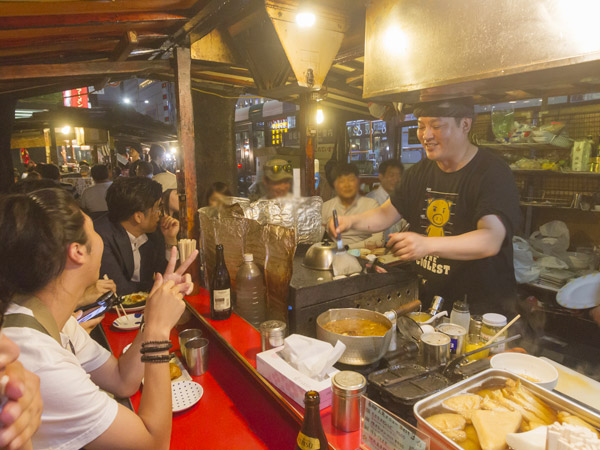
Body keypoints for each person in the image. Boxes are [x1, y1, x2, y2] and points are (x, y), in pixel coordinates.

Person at [0, 188, 196, 449]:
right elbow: (153, 444)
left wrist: (151, 314)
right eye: (93, 227)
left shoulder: (54, 319)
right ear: (77, 251)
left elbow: (122, 379)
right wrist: (159, 332)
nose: (101, 234)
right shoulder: (39, 359)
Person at [329, 98, 522, 314]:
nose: (426, 135)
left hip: (480, 309)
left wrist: (427, 244)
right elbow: (385, 214)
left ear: (465, 125)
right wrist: (350, 221)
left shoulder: (491, 172)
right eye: (421, 126)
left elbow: (490, 239)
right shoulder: (420, 172)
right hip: (429, 300)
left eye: (436, 126)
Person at [94, 177, 180, 296]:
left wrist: (170, 240)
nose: (160, 214)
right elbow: (119, 288)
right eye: (157, 208)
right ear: (138, 217)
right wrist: (157, 284)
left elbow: (169, 275)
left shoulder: (154, 232)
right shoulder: (101, 237)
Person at [322, 163, 383, 249]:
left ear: (358, 181)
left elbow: (378, 239)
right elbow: (316, 239)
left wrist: (346, 248)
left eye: (351, 180)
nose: (347, 185)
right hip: (335, 256)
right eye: (341, 181)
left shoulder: (371, 205)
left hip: (363, 255)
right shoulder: (326, 207)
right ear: (335, 185)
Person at [367, 159, 407, 240]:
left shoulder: (405, 198)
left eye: (399, 175)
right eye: (391, 175)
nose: (396, 180)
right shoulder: (371, 200)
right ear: (381, 177)